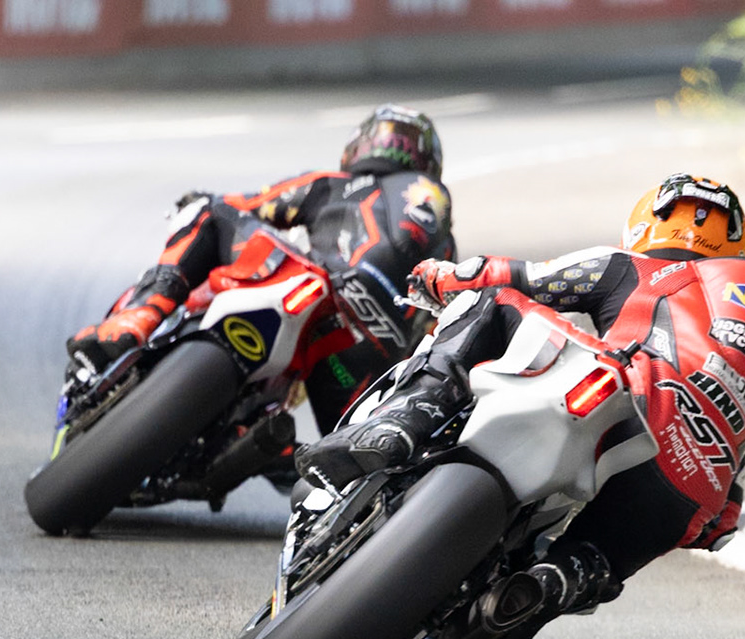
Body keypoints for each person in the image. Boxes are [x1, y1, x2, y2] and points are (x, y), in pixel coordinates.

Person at [294, 173, 745, 639]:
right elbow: (726, 510)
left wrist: (438, 278)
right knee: (589, 563)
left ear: (643, 226)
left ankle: (408, 418)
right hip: (688, 487)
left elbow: (516, 277)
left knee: (492, 302)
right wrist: (703, 519)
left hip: (632, 394)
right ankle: (549, 584)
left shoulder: (633, 266)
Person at [68, 105, 455, 424]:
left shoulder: (335, 184)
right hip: (360, 368)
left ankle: (139, 316)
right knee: (345, 458)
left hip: (323, 292)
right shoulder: (446, 243)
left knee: (212, 211)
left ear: (360, 146)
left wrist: (196, 201)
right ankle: (269, 446)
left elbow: (249, 206)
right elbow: (441, 325)